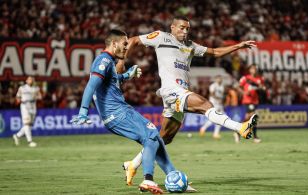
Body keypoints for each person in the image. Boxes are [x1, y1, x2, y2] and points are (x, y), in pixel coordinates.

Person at [121, 16, 259, 188]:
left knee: (164, 138)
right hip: (171, 90)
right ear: (172, 27)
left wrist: (238, 46)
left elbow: (215, 52)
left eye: (187, 28)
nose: (185, 31)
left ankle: (132, 164)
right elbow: (133, 40)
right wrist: (122, 61)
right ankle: (240, 128)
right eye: (181, 28)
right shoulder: (160, 37)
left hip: (181, 92)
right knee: (205, 105)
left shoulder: (190, 45)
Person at [70, 29, 178, 194]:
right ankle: (148, 180)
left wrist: (128, 74)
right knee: (150, 135)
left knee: (155, 137)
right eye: (124, 43)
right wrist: (83, 111)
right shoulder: (103, 60)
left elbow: (113, 80)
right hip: (118, 113)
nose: (127, 47)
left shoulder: (109, 62)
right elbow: (91, 85)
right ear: (114, 44)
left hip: (119, 112)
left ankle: (173, 175)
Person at [235, 64, 266, 143]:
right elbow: (237, 86)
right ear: (250, 70)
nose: (254, 70)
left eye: (255, 69)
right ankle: (255, 137)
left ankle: (237, 131)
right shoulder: (246, 78)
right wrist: (244, 92)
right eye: (252, 69)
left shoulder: (259, 79)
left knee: (249, 117)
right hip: (247, 101)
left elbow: (262, 88)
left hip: (255, 101)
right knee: (252, 116)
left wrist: (262, 88)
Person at [13, 76, 42, 147]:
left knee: (29, 125)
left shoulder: (36, 88)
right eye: (29, 79)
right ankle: (30, 142)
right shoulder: (22, 88)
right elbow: (18, 97)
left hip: (33, 106)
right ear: (26, 81)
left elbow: (40, 97)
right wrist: (18, 100)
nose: (30, 80)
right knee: (26, 124)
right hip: (25, 106)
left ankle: (17, 136)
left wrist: (36, 96)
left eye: (31, 79)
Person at [199, 75, 225, 139]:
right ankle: (213, 133)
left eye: (220, 78)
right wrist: (218, 99)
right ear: (216, 79)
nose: (220, 80)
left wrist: (221, 101)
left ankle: (206, 130)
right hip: (214, 103)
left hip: (219, 104)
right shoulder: (213, 85)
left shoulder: (222, 86)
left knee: (219, 118)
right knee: (218, 118)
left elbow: (222, 95)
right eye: (218, 78)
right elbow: (211, 94)